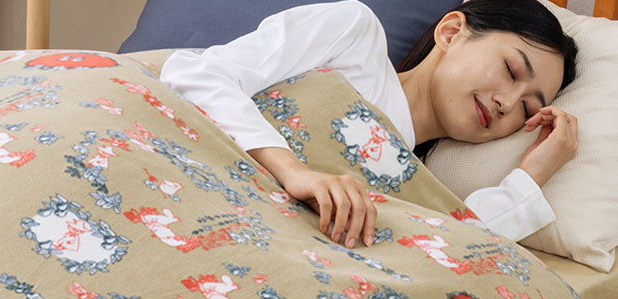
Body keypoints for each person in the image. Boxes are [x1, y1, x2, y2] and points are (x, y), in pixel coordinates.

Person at [160, 0, 578, 249]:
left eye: (528, 108)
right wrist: (293, 171)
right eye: (509, 70)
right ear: (452, 32)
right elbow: (198, 74)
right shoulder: (354, 37)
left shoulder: (416, 189)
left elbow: (455, 249)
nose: (507, 104)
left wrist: (533, 175)